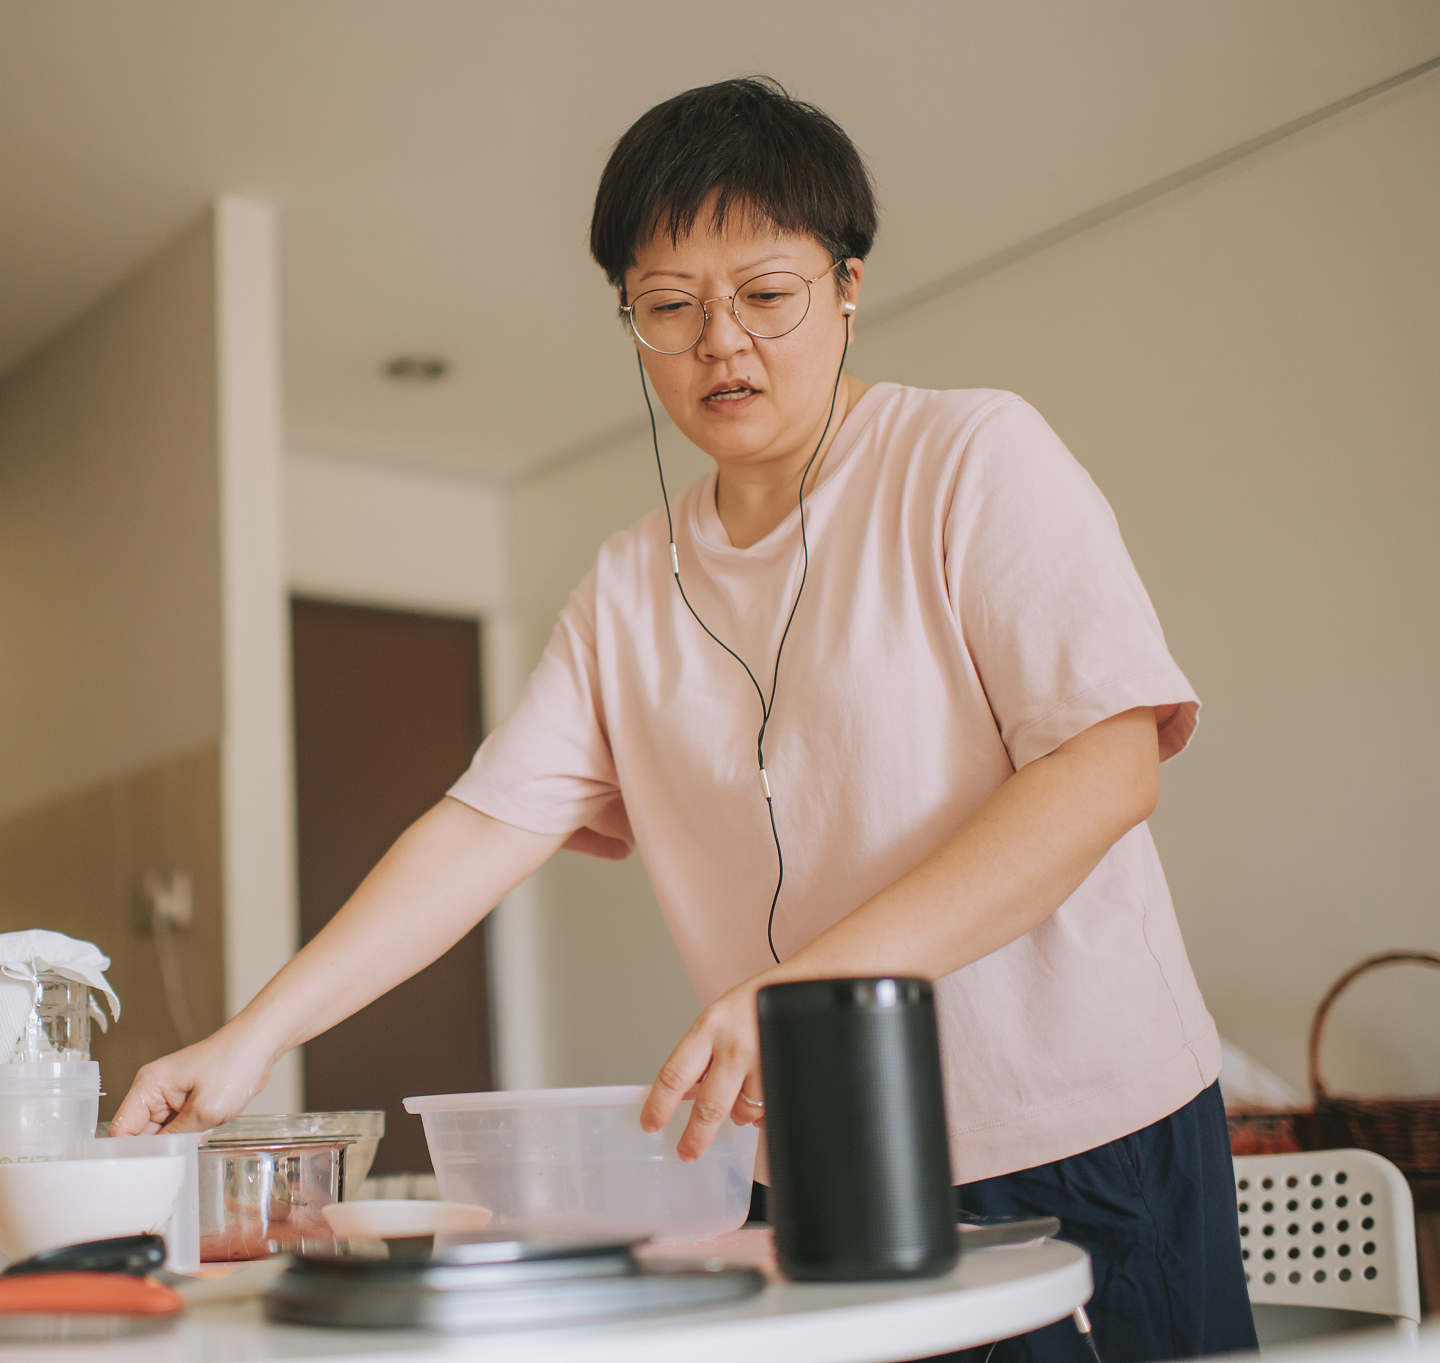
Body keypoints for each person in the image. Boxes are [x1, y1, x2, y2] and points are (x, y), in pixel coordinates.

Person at [112, 77, 1254, 1363]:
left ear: (846, 286)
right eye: (667, 307)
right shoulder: (623, 585)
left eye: (764, 294)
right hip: (801, 1163)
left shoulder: (969, 458)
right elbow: (482, 825)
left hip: (1075, 1132)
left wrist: (798, 996)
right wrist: (252, 1036)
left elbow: (1103, 771)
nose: (721, 343)